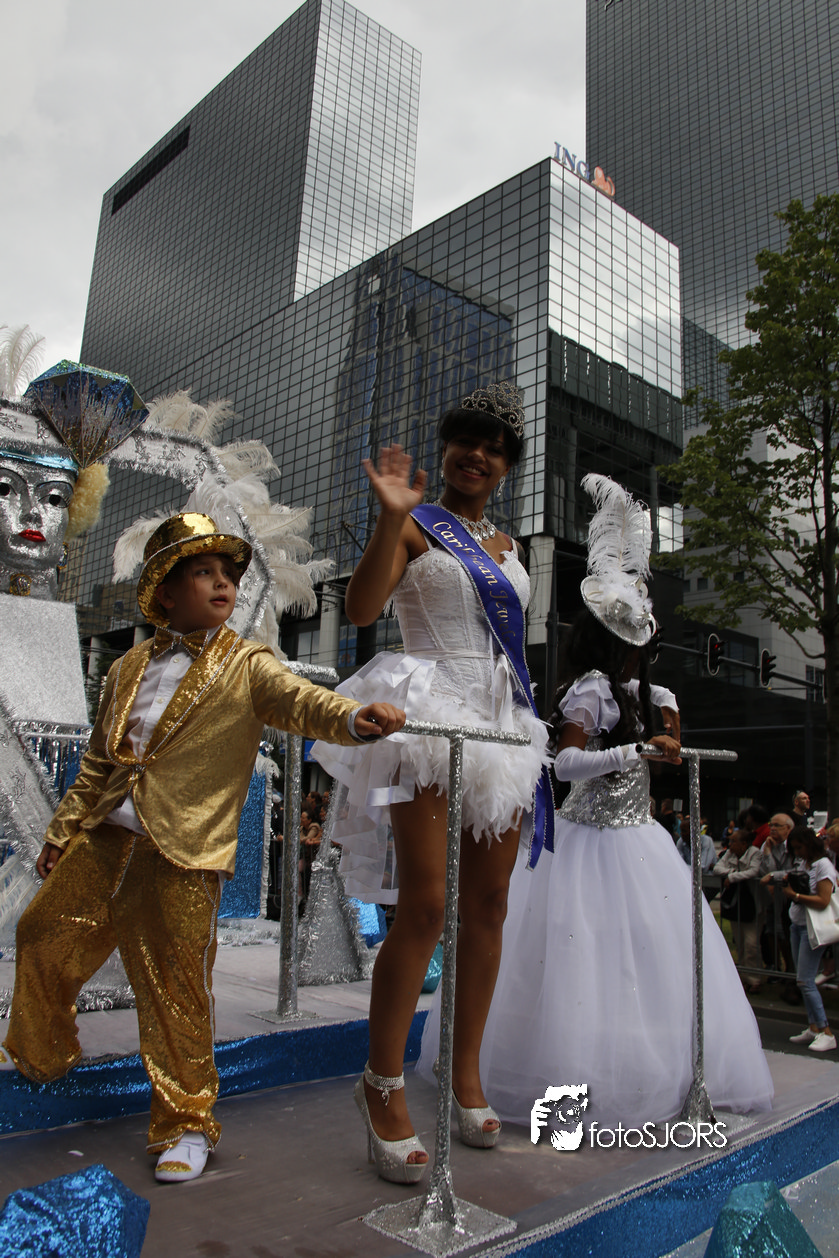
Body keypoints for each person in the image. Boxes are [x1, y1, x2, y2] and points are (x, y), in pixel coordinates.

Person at [0, 513, 405, 1183]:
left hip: (183, 853)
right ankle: (45, 1054)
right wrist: (61, 830)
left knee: (175, 989)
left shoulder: (246, 662)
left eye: (228, 575)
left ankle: (186, 1122)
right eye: (204, 572)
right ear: (165, 590)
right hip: (105, 836)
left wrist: (355, 718)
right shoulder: (127, 666)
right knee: (42, 932)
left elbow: (301, 702)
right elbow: (99, 763)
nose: (223, 584)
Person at [476, 474, 773, 1130]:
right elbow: (565, 764)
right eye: (631, 639)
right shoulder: (590, 690)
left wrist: (661, 745)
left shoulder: (659, 698)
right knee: (579, 967)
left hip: (640, 845)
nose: (641, 648)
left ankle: (652, 1079)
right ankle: (571, 1094)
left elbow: (668, 755)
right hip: (582, 844)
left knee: (650, 966)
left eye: (646, 640)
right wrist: (632, 752)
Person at [313, 382, 552, 1183]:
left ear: (507, 466)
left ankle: (463, 1072)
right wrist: (389, 517)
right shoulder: (417, 524)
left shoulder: (511, 547)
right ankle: (380, 1085)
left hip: (500, 726)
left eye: (494, 448)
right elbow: (360, 608)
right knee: (424, 905)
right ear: (445, 449)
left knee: (488, 906)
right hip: (429, 719)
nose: (477, 455)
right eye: (466, 441)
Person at [767, 826, 838, 1052]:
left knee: (806, 982)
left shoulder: (823, 866)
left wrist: (795, 895)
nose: (797, 853)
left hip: (812, 928)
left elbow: (823, 900)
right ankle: (814, 1027)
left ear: (809, 845)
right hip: (798, 925)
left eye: (799, 848)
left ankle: (826, 1031)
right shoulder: (805, 864)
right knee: (803, 980)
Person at [713, 829, 763, 992]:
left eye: (733, 841)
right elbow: (717, 868)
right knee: (740, 942)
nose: (730, 844)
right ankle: (743, 977)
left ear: (743, 843)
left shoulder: (755, 853)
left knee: (751, 944)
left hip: (752, 904)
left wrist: (733, 878)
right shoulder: (730, 854)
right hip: (737, 905)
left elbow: (753, 871)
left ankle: (755, 978)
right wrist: (733, 872)